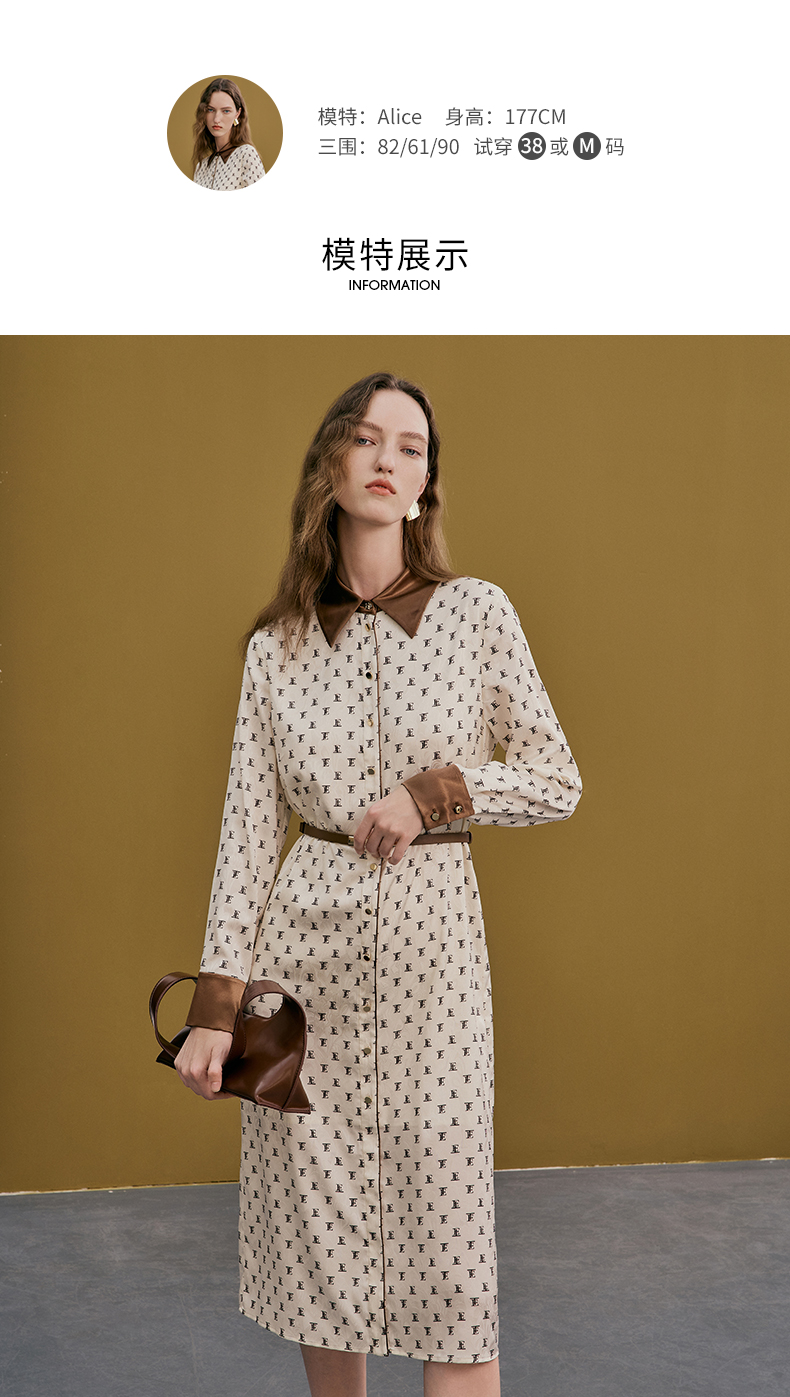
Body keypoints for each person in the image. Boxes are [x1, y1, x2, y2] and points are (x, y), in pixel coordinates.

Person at [174, 372, 582, 1397]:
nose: (387, 458)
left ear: (425, 484)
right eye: (366, 438)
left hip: (432, 978)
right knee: (321, 1251)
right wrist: (217, 1010)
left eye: (410, 445)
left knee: (452, 1262)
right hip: (300, 985)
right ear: (333, 463)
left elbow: (555, 776)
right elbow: (244, 836)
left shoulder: (476, 613)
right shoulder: (275, 649)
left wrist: (435, 792)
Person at [192, 77, 265, 190]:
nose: (216, 119)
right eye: (211, 110)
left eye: (226, 111)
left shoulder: (246, 155)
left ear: (237, 113)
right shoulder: (201, 168)